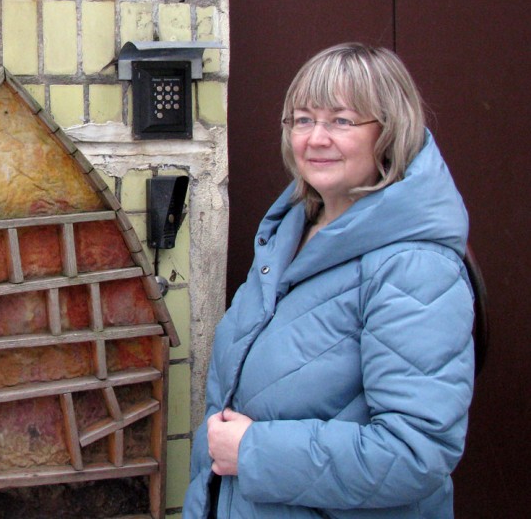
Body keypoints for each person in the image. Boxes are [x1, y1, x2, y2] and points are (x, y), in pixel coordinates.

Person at [184, 43, 474, 518]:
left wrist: (255, 450)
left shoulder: (413, 268)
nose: (316, 138)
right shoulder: (286, 237)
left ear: (389, 132)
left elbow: (416, 453)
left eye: (341, 120)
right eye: (302, 119)